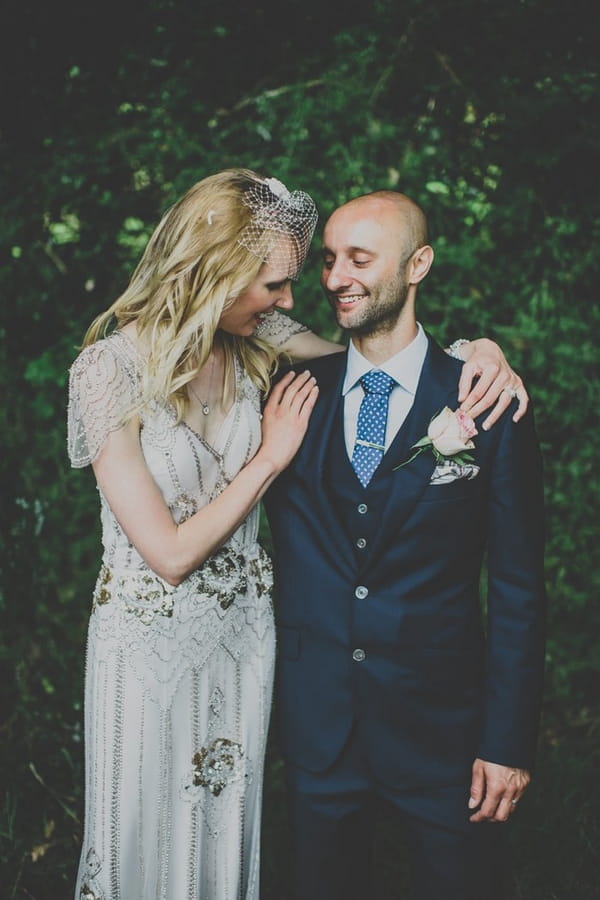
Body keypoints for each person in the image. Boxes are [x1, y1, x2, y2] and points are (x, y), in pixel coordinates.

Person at [67, 169, 528, 900]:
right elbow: (171, 554)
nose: (293, 298)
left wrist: (479, 351)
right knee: (147, 837)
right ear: (218, 272)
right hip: (155, 647)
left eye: (294, 281)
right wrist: (271, 457)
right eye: (278, 283)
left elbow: (381, 356)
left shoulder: (260, 342)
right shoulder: (117, 371)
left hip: (247, 649)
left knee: (225, 845)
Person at [264, 190, 546, 900]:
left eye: (360, 258)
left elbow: (516, 588)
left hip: (444, 735)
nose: (335, 278)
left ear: (417, 264)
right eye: (329, 260)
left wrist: (506, 743)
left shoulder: (485, 400)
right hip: (318, 727)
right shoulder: (289, 388)